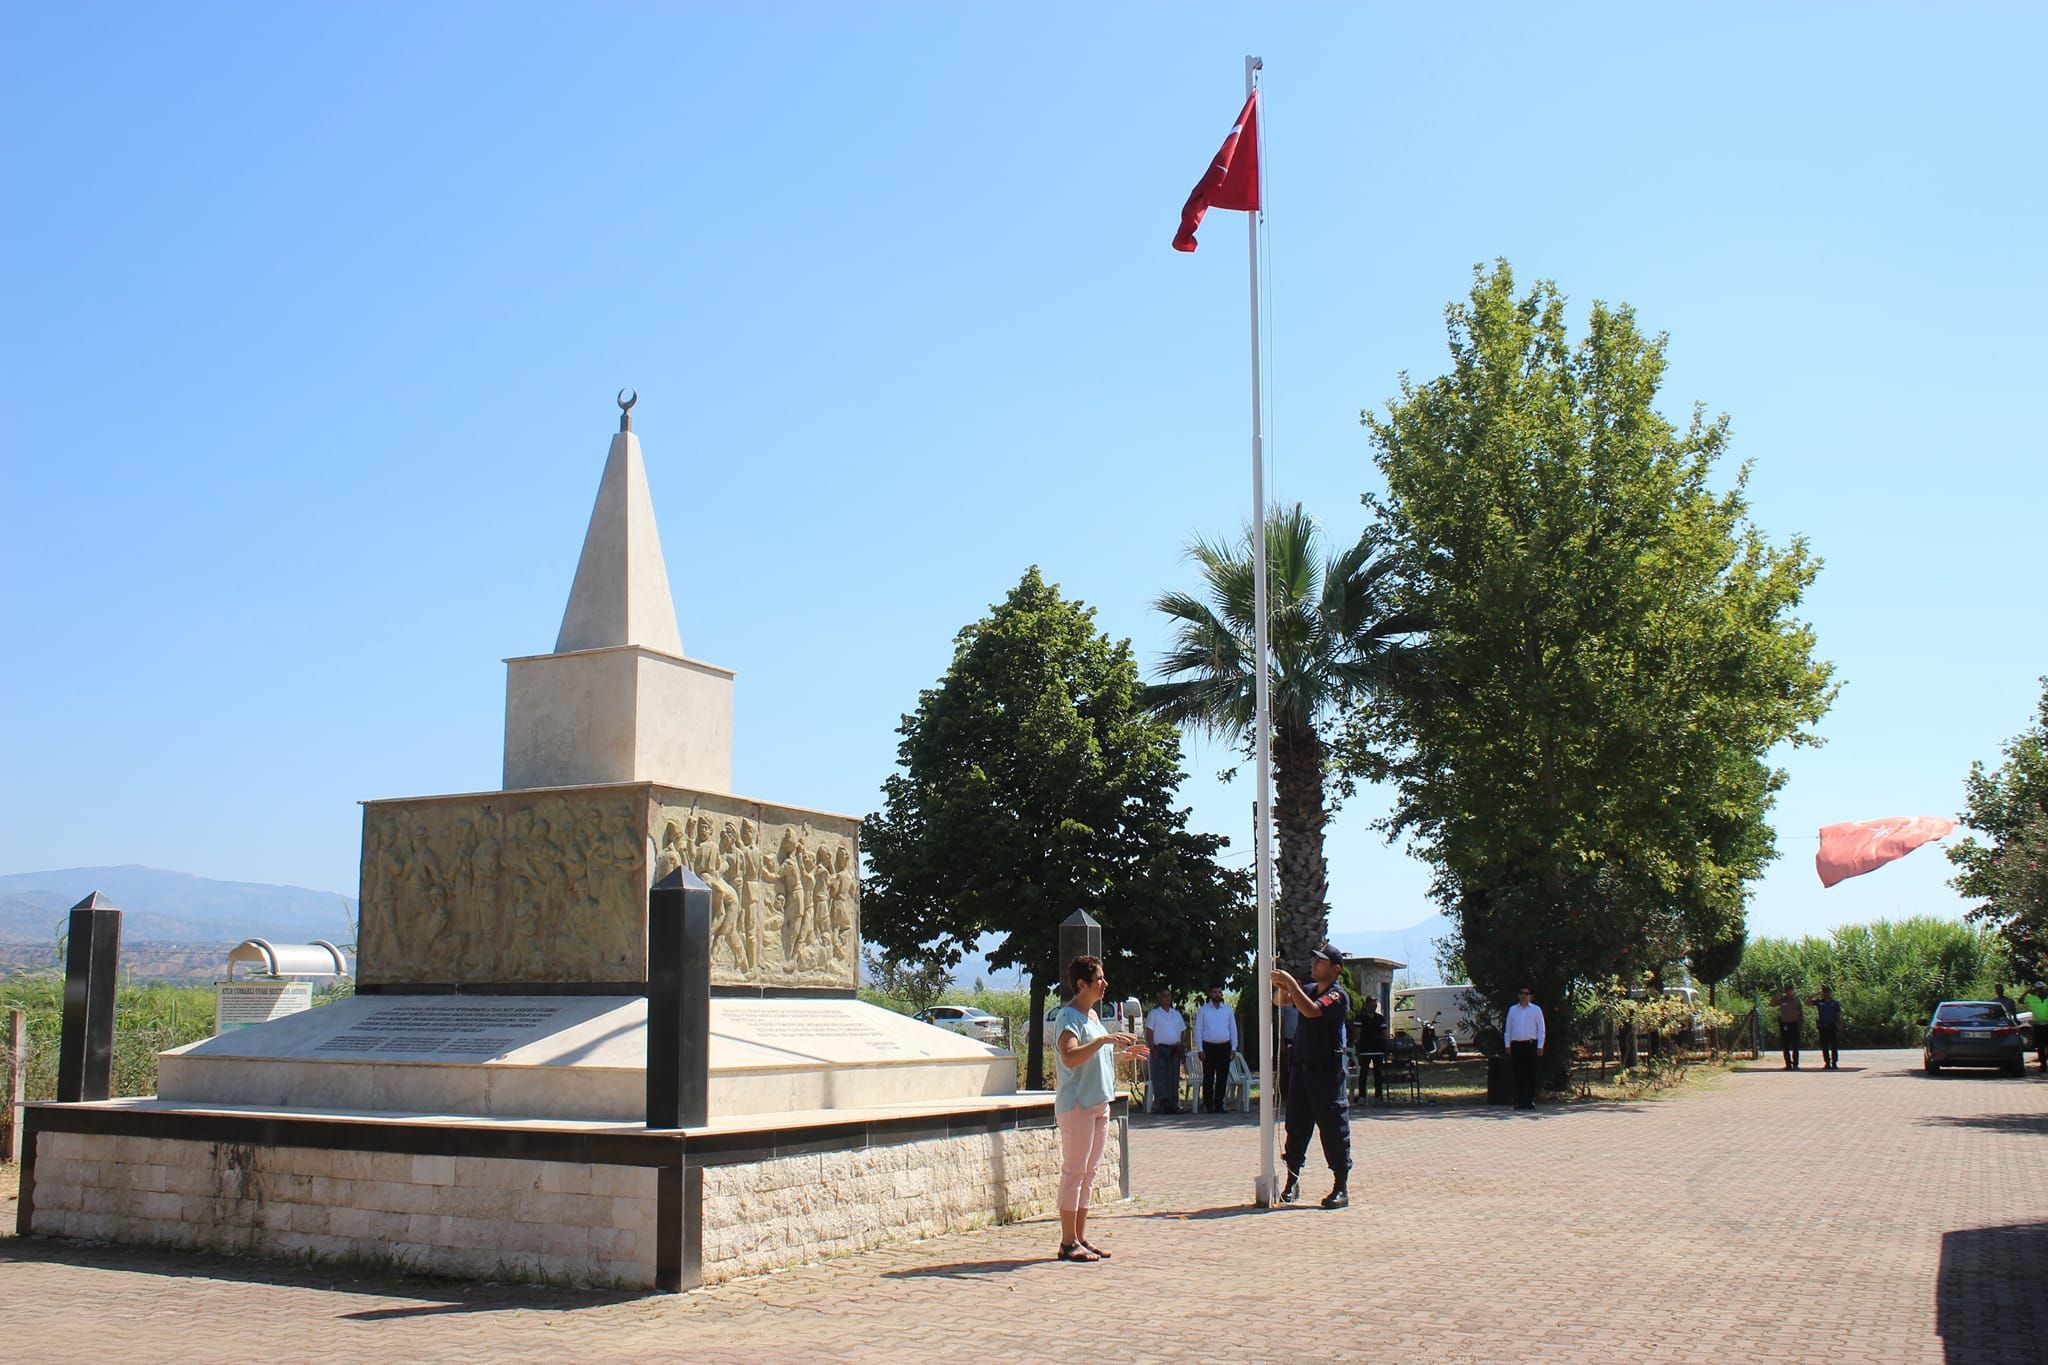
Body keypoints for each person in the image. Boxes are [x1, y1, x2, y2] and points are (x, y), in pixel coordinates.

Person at [1053, 955, 1147, 1263]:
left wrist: (1122, 1055)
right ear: (1082, 984)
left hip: (1098, 1103)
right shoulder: (1069, 1018)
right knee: (1074, 1172)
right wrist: (1105, 1040)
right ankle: (1067, 1242)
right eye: (1099, 980)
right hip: (1077, 1105)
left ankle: (1080, 1237)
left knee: (1089, 1172)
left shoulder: (1092, 1016)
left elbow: (1094, 1058)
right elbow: (1069, 1057)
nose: (1105, 984)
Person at [1268, 944, 1352, 1208]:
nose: (1315, 964)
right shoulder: (1309, 990)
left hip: (1326, 1075)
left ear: (1335, 969)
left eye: (1321, 961)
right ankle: (1292, 1181)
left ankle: (1341, 1186)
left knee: (1333, 1130)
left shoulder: (1337, 996)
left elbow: (1311, 1011)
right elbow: (1280, 1001)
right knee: (1296, 1128)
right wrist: (1283, 987)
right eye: (1314, 959)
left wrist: (1291, 983)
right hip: (1302, 1072)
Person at [1193, 984, 1239, 1113]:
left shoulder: (1228, 1010)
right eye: (1214, 992)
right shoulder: (1203, 1010)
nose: (1217, 995)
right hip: (1208, 1047)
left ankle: (1219, 1104)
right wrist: (1200, 1049)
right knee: (1208, 1077)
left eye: (1219, 992)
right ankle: (1208, 1104)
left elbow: (1233, 1029)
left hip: (1224, 1046)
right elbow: (1198, 1030)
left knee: (1222, 1077)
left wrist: (1234, 1047)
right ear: (1210, 994)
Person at [1144, 989, 1188, 1114]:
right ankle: (1161, 1105)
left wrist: (1181, 1046)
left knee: (1174, 1077)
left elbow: (1183, 1031)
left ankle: (1174, 1104)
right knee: (1160, 1077)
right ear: (1160, 998)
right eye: (1164, 996)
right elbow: (1149, 1032)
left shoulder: (1176, 1014)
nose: (1167, 998)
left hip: (1174, 1049)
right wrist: (1152, 1049)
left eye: (1169, 996)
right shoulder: (1154, 1014)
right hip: (1160, 1049)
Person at [1503, 986, 1546, 1110]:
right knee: (1518, 1073)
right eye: (1521, 993)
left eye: (1526, 993)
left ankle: (1530, 1100)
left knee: (1530, 1073)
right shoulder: (1512, 1010)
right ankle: (1520, 1100)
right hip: (1516, 1045)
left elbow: (1541, 1029)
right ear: (1518, 995)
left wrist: (1540, 1046)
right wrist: (1507, 1044)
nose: (1523, 995)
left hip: (1530, 1045)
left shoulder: (1536, 1010)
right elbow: (1508, 1029)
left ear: (1530, 996)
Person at [1354, 995, 1388, 1101]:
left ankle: (1378, 1096)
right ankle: (1362, 1096)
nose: (1373, 1007)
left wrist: (1384, 1045)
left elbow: (1384, 1033)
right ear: (1366, 1005)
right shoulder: (1360, 1018)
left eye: (1375, 1005)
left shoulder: (1380, 1018)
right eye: (1371, 1005)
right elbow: (1357, 1034)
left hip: (1378, 1049)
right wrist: (1358, 1046)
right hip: (1365, 1049)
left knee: (1378, 1072)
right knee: (1363, 1073)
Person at [1808, 985, 1843, 1070]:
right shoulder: (1819, 1002)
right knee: (1824, 1046)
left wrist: (1840, 1025)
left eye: (1828, 992)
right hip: (1823, 1026)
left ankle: (1834, 1063)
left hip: (1832, 1026)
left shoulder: (1834, 1003)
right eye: (1824, 992)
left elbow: (1838, 1015)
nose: (1826, 993)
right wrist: (1816, 994)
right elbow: (1807, 1002)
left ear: (1830, 993)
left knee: (1834, 1046)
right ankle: (1827, 1062)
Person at [2022, 980, 2048, 1073]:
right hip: (2038, 1026)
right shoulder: (2032, 998)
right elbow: (2020, 1001)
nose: (2040, 991)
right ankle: (2043, 1066)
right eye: (2038, 989)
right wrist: (2027, 992)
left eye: (2041, 989)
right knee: (2040, 1047)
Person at [1776, 986, 1805, 1070]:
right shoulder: (1782, 1000)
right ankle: (1788, 1064)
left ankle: (1795, 1064)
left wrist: (1801, 1026)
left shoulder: (1796, 1001)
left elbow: (1801, 1013)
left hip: (1794, 1024)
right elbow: (1772, 1004)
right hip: (1785, 1025)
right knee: (1785, 1046)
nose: (1788, 992)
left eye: (1790, 990)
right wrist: (1777, 995)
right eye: (1787, 991)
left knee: (1795, 1046)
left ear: (1793, 991)